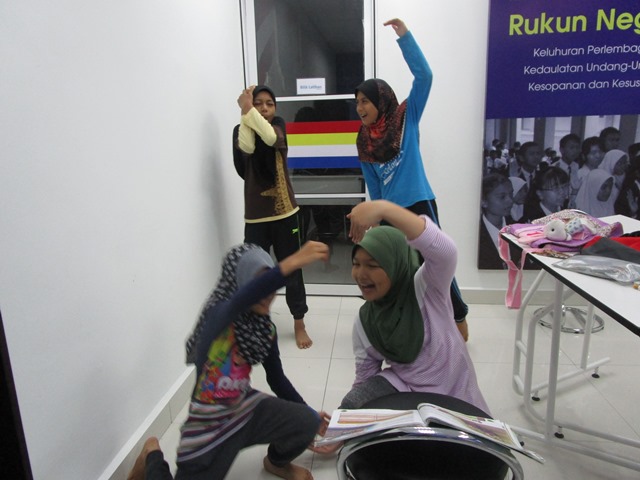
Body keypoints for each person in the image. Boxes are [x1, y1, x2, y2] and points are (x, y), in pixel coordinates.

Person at [128, 241, 331, 480]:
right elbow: (240, 301)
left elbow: (277, 380)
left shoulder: (265, 329)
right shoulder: (218, 314)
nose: (267, 294)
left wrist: (311, 414)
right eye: (260, 284)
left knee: (307, 421)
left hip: (243, 407)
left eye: (271, 285)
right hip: (208, 424)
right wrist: (291, 263)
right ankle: (151, 453)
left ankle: (276, 463)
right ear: (240, 283)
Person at [354, 18, 469, 341]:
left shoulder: (407, 116)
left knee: (437, 260)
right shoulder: (363, 140)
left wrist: (404, 37)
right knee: (396, 269)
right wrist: (375, 219)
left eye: (364, 100)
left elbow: (425, 76)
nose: (359, 107)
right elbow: (374, 186)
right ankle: (407, 323)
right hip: (389, 212)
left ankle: (458, 316)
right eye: (357, 102)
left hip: (419, 203)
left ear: (379, 100)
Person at [343, 200, 489, 414]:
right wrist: (347, 419)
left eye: (372, 265)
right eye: (356, 264)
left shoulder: (426, 289)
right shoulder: (365, 321)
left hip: (455, 393)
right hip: (404, 389)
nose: (361, 274)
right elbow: (365, 378)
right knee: (351, 405)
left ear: (396, 264)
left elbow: (446, 251)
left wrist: (383, 208)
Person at [233, 84, 312, 349]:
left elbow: (268, 138)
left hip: (285, 213)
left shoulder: (278, 126)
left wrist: (247, 109)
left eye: (269, 103)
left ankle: (299, 322)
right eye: (258, 103)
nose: (264, 108)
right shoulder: (240, 129)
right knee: (253, 273)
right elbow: (246, 147)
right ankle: (256, 325)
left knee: (292, 269)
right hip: (255, 217)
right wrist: (246, 116)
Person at [478, 174, 514, 269]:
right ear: (484, 202)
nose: (510, 201)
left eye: (511, 194)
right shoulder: (476, 234)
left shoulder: (518, 229)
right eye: (502, 197)